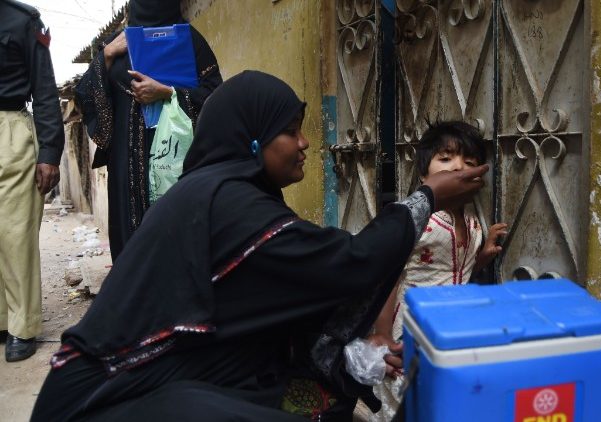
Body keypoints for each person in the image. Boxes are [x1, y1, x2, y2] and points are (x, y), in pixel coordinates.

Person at [30, 71, 488, 421]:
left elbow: (277, 302)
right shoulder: (226, 203)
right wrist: (427, 197)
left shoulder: (221, 193)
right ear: (253, 136)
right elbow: (349, 263)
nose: (306, 142)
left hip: (144, 378)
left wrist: (352, 352)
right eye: (291, 130)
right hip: (101, 399)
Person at [368, 121, 508, 421]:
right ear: (423, 175)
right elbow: (388, 275)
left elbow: (457, 268)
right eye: (445, 159)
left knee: (441, 395)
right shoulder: (417, 220)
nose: (458, 167)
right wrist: (381, 333)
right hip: (408, 325)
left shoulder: (470, 219)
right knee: (405, 395)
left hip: (453, 325)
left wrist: (482, 255)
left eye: (469, 162)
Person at [76, 0, 222, 260]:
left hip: (178, 162)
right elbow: (85, 97)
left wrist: (167, 92)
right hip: (128, 167)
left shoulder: (189, 40)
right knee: (132, 246)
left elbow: (216, 98)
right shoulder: (116, 44)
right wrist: (106, 56)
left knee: (179, 240)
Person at [0, 0, 64, 362]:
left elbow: (44, 89)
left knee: (15, 233)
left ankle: (22, 325)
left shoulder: (23, 20)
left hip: (10, 130)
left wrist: (49, 152)